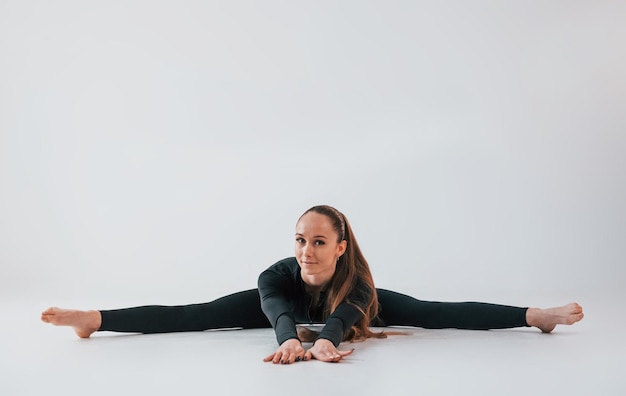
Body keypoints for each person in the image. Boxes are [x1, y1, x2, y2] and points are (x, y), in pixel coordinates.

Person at [41, 205, 584, 364]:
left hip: (342, 308)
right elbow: (277, 311)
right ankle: (97, 320)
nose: (306, 250)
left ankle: (534, 315)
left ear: (340, 247)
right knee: (197, 312)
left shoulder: (361, 285)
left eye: (319, 242)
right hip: (286, 317)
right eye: (301, 239)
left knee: (430, 310)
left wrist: (328, 338)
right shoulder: (275, 277)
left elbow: (347, 317)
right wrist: (291, 341)